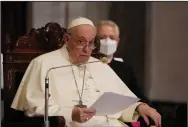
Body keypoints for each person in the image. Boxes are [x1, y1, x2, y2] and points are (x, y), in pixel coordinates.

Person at [11, 17, 161, 127]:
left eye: (91, 43)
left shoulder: (98, 65)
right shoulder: (44, 64)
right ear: (66, 38)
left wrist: (140, 107)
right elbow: (33, 108)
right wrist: (71, 113)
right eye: (81, 42)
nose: (87, 49)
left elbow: (120, 102)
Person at [93, 20, 161, 126]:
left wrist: (143, 106)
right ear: (94, 40)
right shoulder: (87, 65)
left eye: (111, 38)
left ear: (118, 41)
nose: (107, 41)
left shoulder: (125, 68)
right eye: (102, 37)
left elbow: (138, 96)